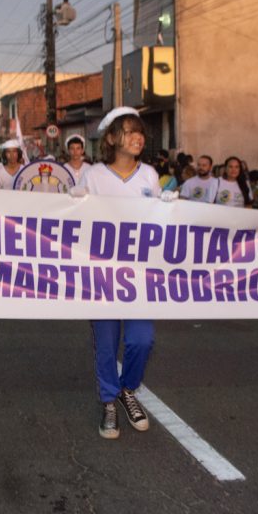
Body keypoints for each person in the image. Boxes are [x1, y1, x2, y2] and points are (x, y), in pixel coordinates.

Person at [77, 107, 171, 439]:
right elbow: (74, 221)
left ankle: (128, 389)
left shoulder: (148, 174)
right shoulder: (93, 176)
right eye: (129, 131)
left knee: (142, 340)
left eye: (140, 131)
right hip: (101, 274)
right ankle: (108, 401)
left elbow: (159, 224)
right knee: (106, 343)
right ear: (112, 138)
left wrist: (171, 209)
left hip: (139, 276)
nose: (137, 137)